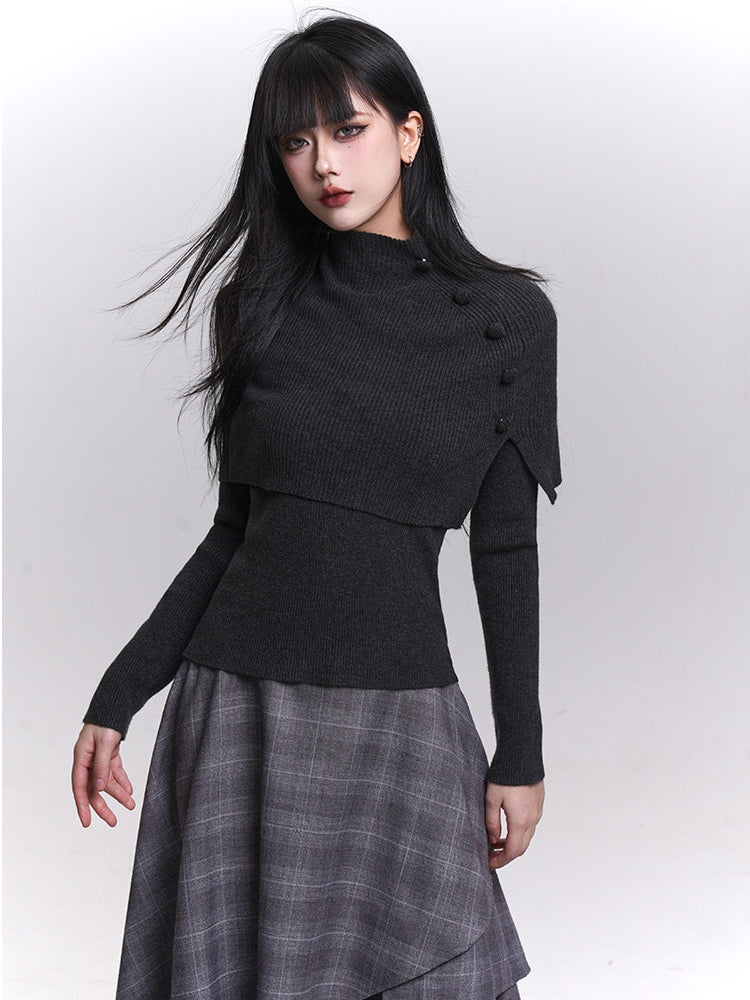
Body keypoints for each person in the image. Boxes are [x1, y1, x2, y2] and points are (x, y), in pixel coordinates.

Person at [71, 12, 562, 1000]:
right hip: (235, 716)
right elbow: (237, 533)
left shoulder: (506, 319)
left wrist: (522, 750)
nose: (324, 163)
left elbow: (506, 548)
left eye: (348, 129)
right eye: (295, 141)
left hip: (399, 719)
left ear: (408, 134)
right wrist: (117, 694)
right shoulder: (255, 306)